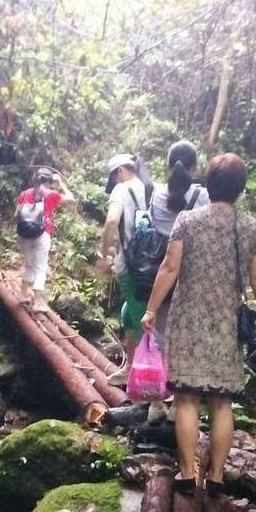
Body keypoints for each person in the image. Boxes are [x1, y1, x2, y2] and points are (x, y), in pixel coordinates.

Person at [142, 153, 256, 494]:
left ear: (209, 185)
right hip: (226, 322)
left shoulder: (187, 220)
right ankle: (216, 478)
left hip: (187, 319)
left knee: (186, 399)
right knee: (221, 403)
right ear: (240, 189)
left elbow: (169, 268)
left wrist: (151, 310)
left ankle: (187, 474)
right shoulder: (250, 227)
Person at [147, 140, 211, 422]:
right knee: (183, 341)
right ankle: (177, 406)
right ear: (195, 168)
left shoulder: (156, 194)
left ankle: (155, 404)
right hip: (190, 275)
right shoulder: (204, 196)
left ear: (168, 164)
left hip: (159, 272)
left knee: (159, 339)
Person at [95, 153, 149, 386]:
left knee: (140, 321)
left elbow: (111, 221)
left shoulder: (122, 189)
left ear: (119, 172)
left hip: (131, 266)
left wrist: (104, 254)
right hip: (149, 264)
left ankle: (149, 386)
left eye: (114, 177)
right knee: (128, 312)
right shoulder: (149, 188)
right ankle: (130, 368)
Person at [16, 167, 75, 312]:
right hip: (42, 233)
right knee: (40, 267)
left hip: (23, 234)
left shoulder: (24, 194)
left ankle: (23, 295)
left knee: (29, 264)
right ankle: (38, 303)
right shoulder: (51, 194)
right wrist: (61, 182)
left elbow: (16, 213)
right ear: (50, 181)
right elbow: (71, 198)